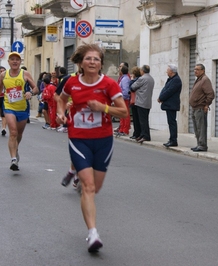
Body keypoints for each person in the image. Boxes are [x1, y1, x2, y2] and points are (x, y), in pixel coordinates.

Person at [56, 43, 128, 253]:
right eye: (89, 58)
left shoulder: (108, 84)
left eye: (96, 59)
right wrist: (61, 113)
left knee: (95, 188)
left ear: (101, 64)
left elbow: (123, 112)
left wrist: (103, 107)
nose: (92, 62)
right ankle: (93, 233)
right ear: (80, 62)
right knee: (88, 186)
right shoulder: (72, 83)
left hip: (103, 140)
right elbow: (61, 99)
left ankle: (80, 182)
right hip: (78, 138)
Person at [0, 52, 38, 170]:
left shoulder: (25, 74)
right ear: (8, 62)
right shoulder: (4, 75)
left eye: (17, 60)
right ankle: (13, 159)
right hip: (9, 106)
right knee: (13, 132)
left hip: (22, 108)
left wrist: (31, 93)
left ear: (20, 62)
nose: (14, 61)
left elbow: (36, 88)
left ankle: (16, 148)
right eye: (12, 59)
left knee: (19, 133)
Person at [189, 63, 215, 152]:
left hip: (200, 107)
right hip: (194, 107)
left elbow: (210, 94)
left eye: (197, 69)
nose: (195, 71)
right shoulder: (199, 79)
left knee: (201, 127)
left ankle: (202, 145)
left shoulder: (205, 80)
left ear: (203, 71)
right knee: (196, 128)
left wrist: (207, 104)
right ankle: (199, 144)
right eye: (194, 69)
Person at [158, 64, 182, 147]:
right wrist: (160, 97)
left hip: (172, 104)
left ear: (171, 71)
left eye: (167, 70)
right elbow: (165, 89)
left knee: (172, 122)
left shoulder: (176, 80)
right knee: (170, 122)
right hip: (169, 104)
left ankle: (173, 140)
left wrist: (161, 98)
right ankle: (171, 139)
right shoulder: (171, 79)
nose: (166, 71)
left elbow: (169, 91)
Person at [130, 65, 155, 143]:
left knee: (142, 120)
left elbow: (132, 87)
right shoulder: (151, 79)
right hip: (148, 102)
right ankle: (143, 134)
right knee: (145, 119)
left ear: (143, 71)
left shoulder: (142, 78)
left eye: (141, 70)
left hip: (141, 101)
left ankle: (145, 135)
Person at [117, 64, 131, 136]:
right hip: (122, 98)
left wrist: (121, 97)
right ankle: (122, 128)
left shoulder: (125, 79)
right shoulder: (123, 78)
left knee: (125, 114)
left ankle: (125, 130)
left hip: (124, 99)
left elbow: (125, 91)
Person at [129, 66, 142, 140]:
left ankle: (136, 133)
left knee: (135, 118)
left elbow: (130, 87)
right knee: (138, 118)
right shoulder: (140, 79)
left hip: (134, 101)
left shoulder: (134, 81)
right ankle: (138, 133)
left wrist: (131, 80)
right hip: (139, 100)